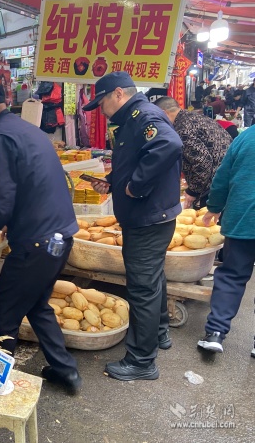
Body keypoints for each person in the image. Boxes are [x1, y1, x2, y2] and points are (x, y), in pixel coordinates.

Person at [0, 83, 81, 394]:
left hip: (36, 243)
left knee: (3, 311)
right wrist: (10, 222)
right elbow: (28, 183)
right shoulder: (25, 129)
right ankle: (66, 371)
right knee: (37, 304)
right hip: (60, 237)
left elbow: (1, 203)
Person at [83, 72, 182, 381]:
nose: (101, 111)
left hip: (147, 218)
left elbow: (168, 144)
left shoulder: (143, 116)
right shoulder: (133, 119)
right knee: (153, 280)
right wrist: (114, 180)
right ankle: (159, 333)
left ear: (118, 94)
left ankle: (141, 361)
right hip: (150, 216)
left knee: (142, 288)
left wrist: (135, 186)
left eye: (101, 103)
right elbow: (138, 159)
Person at [197, 125, 255, 354]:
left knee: (232, 276)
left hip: (242, 218)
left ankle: (215, 333)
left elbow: (222, 177)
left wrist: (214, 206)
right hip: (242, 218)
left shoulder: (245, 138)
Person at [154, 97, 232, 209]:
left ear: (163, 113)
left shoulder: (182, 129)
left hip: (216, 183)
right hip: (228, 175)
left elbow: (203, 163)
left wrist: (193, 191)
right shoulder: (195, 117)